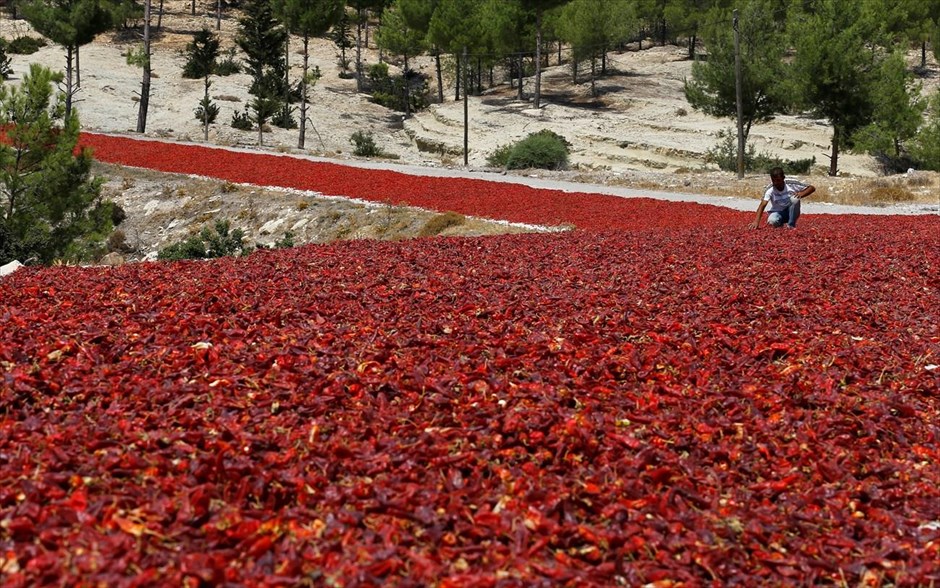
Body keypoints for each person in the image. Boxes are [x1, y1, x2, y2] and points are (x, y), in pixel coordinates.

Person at [749, 167, 816, 229]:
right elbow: (762, 205)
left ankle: (791, 225)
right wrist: (756, 221)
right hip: (778, 212)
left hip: (792, 211)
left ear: (783, 178)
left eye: (778, 180)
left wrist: (801, 194)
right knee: (772, 221)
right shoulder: (770, 189)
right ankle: (780, 224)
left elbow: (811, 188)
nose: (776, 183)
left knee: (795, 198)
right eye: (773, 180)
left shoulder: (791, 183)